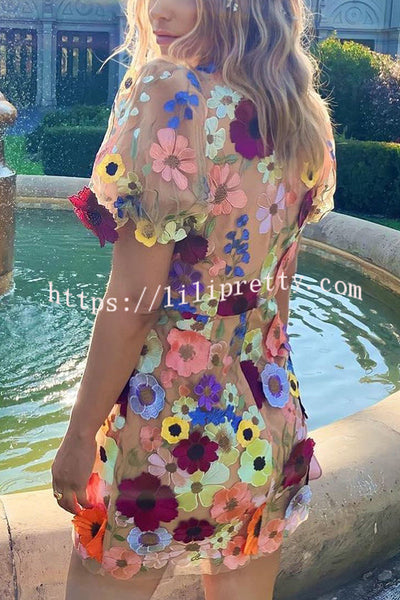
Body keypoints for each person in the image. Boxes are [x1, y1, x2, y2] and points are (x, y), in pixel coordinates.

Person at [52, 0, 337, 598]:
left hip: (164, 430)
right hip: (266, 418)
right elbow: (278, 294)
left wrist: (78, 439)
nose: (157, 8)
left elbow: (134, 304)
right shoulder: (299, 112)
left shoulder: (172, 93)